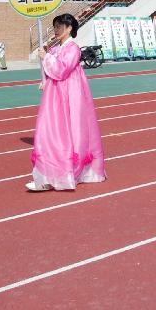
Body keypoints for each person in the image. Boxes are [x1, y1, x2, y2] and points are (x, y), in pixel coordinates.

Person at [29, 13, 106, 192]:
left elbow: (62, 70)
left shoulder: (73, 49)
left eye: (59, 27)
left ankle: (64, 174)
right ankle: (49, 174)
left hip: (70, 96)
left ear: (69, 28)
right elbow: (54, 71)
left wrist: (46, 57)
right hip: (56, 95)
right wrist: (46, 79)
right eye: (55, 27)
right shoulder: (57, 49)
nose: (56, 30)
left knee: (68, 132)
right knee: (52, 130)